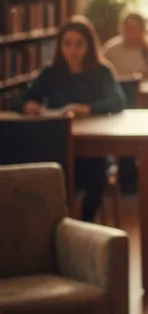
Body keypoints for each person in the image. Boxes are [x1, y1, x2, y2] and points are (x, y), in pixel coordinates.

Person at [20, 16, 126, 222]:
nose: (72, 50)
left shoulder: (102, 71)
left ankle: (82, 225)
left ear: (89, 46)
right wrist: (27, 105)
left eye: (79, 44)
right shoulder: (51, 73)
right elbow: (22, 100)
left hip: (93, 147)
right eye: (67, 44)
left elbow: (117, 101)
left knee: (95, 177)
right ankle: (59, 225)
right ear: (60, 46)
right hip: (57, 144)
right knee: (49, 174)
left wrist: (88, 108)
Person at [103, 12, 148, 78]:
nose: (134, 34)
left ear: (144, 30)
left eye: (137, 29)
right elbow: (103, 76)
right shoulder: (112, 50)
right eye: (130, 29)